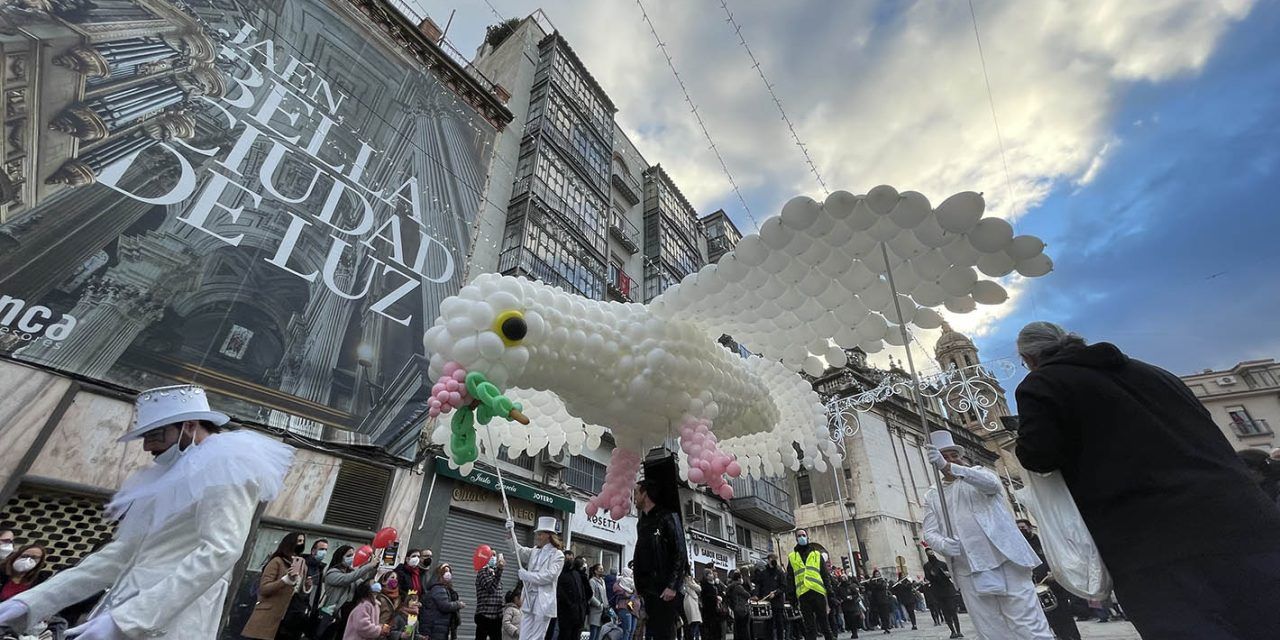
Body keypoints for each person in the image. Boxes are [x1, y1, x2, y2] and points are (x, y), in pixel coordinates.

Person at [1013, 321, 1280, 639]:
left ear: (1029, 358)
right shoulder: (1156, 373)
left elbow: (1037, 455)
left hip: (1152, 540)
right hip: (1246, 523)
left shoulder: (1042, 383)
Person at [0, 384, 293, 639]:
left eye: (156, 434)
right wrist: (32, 603)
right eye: (145, 436)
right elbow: (120, 554)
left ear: (189, 426)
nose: (147, 446)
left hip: (171, 622)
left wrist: (128, 621)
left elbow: (221, 551)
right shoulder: (165, 477)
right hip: (121, 610)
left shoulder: (226, 465)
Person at [923, 430, 1052, 639]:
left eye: (954, 455)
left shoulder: (979, 473)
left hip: (1005, 559)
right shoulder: (932, 494)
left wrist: (948, 466)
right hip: (968, 567)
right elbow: (929, 531)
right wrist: (942, 545)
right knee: (990, 629)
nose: (950, 460)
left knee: (1028, 624)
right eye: (943, 456)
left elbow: (991, 486)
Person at [632, 474, 688, 640]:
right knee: (651, 632)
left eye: (636, 492)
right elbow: (641, 553)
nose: (634, 497)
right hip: (648, 589)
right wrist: (639, 586)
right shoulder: (641, 522)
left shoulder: (668, 517)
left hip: (665, 589)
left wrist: (672, 585)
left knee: (665, 632)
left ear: (645, 493)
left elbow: (679, 551)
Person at [1015, 519, 1080, 640]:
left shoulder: (1043, 542)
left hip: (1054, 584)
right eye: (1018, 528)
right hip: (1037, 587)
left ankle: (1072, 637)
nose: (1021, 530)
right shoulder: (1020, 546)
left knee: (1064, 614)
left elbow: (1056, 558)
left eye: (1023, 527)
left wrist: (1055, 572)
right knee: (1048, 618)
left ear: (1029, 528)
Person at [242, 531, 309, 638]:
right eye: (299, 540)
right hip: (269, 615)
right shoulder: (277, 561)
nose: (301, 544)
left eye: (303, 541)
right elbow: (264, 588)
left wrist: (306, 586)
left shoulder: (303, 565)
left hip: (289, 618)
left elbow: (297, 590)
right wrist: (285, 580)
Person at [509, 516, 563, 640]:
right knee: (524, 636)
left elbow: (550, 576)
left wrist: (527, 576)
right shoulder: (534, 551)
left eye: (540, 534)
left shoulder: (557, 555)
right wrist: (511, 533)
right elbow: (518, 551)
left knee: (537, 637)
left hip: (543, 601)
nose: (537, 537)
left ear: (548, 536)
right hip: (529, 598)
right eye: (537, 534)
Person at [318, 545, 381, 639]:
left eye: (353, 555)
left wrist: (372, 568)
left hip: (348, 613)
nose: (351, 558)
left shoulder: (351, 572)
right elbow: (347, 579)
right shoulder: (332, 573)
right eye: (349, 555)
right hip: (333, 613)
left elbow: (362, 585)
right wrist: (368, 566)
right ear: (340, 557)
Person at [785, 530, 834, 640]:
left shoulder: (817, 554)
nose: (801, 537)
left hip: (818, 592)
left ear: (807, 537)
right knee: (809, 627)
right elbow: (790, 578)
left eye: (803, 535)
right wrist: (791, 597)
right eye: (799, 536)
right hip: (803, 594)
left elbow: (825, 575)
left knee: (825, 624)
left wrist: (830, 593)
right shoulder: (792, 557)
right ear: (796, 539)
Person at [921, 550, 960, 639]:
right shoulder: (927, 566)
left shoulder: (942, 563)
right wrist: (931, 575)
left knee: (952, 610)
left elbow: (950, 574)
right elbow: (927, 578)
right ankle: (953, 631)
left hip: (948, 589)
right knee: (945, 611)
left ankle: (959, 631)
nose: (931, 554)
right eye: (928, 553)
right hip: (937, 591)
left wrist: (948, 574)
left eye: (931, 552)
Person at [422, 563, 464, 640]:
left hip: (438, 626)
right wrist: (458, 604)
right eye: (445, 571)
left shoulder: (442, 588)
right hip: (435, 627)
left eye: (449, 571)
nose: (447, 573)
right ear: (439, 574)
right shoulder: (438, 589)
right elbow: (445, 606)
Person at [754, 554, 788, 640]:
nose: (774, 561)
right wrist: (757, 595)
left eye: (775, 559)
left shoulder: (780, 572)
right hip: (767, 603)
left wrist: (776, 593)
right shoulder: (764, 573)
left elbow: (783, 586)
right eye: (773, 559)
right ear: (769, 560)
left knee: (779, 624)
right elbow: (759, 585)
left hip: (778, 603)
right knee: (768, 625)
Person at [555, 551, 588, 640]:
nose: (570, 560)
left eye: (571, 558)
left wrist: (583, 607)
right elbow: (560, 594)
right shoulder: (560, 574)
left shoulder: (576, 574)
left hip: (578, 614)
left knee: (575, 636)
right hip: (566, 614)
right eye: (567, 558)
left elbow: (583, 592)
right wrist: (570, 605)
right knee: (565, 635)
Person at [476, 551, 506, 640]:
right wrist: (499, 570)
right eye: (491, 555)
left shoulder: (495, 573)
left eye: (494, 555)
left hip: (496, 617)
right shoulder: (482, 572)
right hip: (485, 616)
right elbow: (491, 588)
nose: (493, 557)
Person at [724, 571, 751, 640]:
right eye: (741, 577)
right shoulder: (738, 587)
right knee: (744, 629)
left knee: (737, 628)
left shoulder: (730, 586)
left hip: (734, 609)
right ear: (739, 579)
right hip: (741, 609)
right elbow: (747, 595)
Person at [614, 568, 639, 640]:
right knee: (627, 629)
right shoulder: (620, 582)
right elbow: (617, 590)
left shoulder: (633, 581)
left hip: (634, 609)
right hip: (625, 607)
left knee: (632, 630)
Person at [698, 569, 721, 640]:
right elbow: (706, 596)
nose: (712, 575)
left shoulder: (714, 584)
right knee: (709, 630)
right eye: (710, 574)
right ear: (706, 576)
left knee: (716, 629)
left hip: (715, 610)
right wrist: (716, 598)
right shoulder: (704, 585)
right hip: (708, 610)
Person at [589, 564, 609, 640]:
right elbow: (591, 595)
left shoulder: (603, 581)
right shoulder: (592, 581)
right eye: (600, 569)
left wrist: (606, 606)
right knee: (593, 633)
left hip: (603, 611)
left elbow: (605, 594)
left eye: (602, 569)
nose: (602, 571)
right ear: (595, 571)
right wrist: (599, 604)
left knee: (599, 634)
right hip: (595, 610)